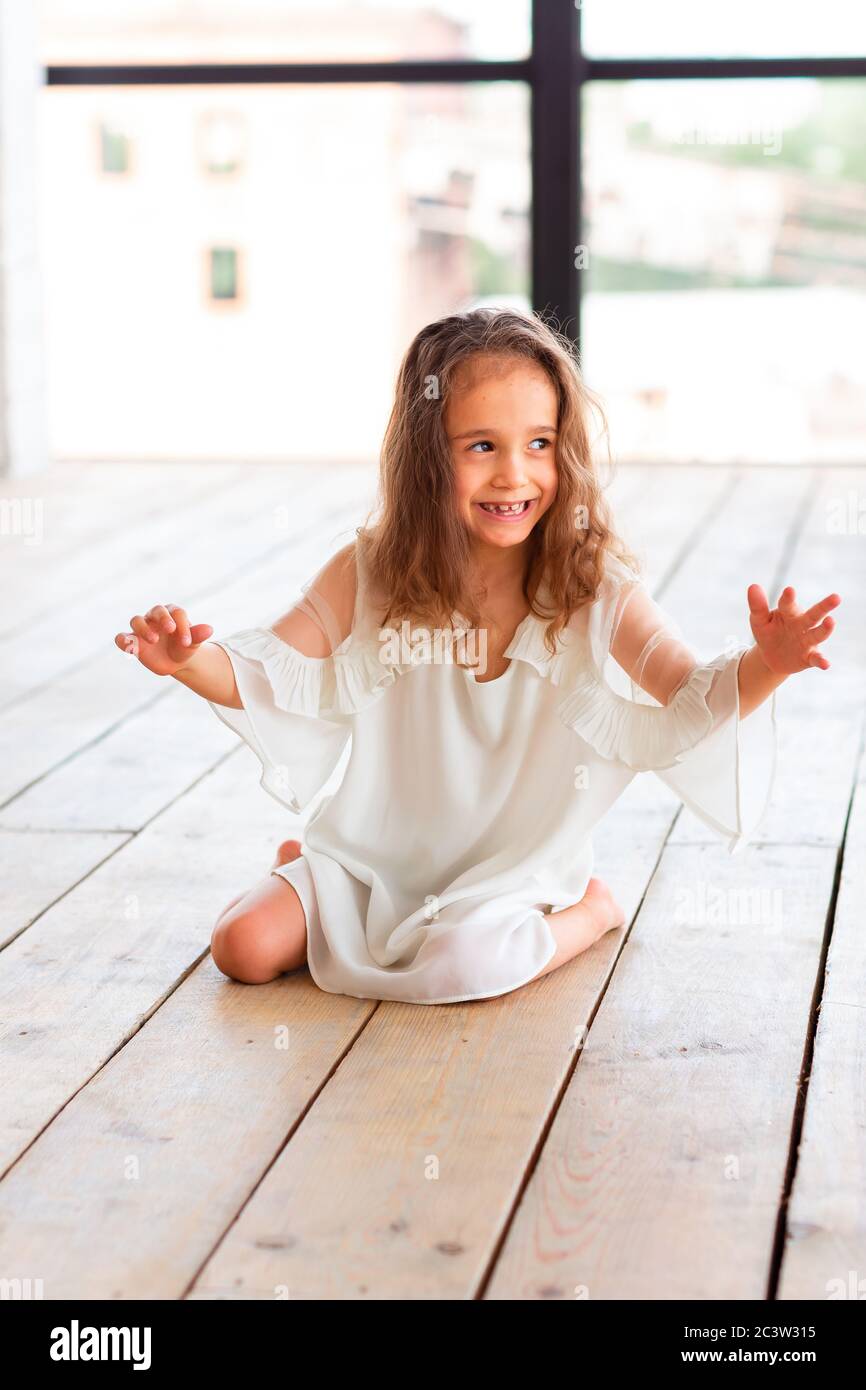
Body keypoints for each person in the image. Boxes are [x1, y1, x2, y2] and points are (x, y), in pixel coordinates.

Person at [114, 309, 840, 1005]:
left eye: (540, 444)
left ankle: (587, 913)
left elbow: (689, 700)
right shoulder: (369, 569)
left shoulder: (594, 584)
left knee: (461, 968)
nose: (514, 476)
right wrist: (185, 662)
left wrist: (766, 663)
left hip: (507, 881)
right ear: (429, 457)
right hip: (376, 860)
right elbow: (267, 673)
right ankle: (302, 874)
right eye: (481, 446)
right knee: (240, 947)